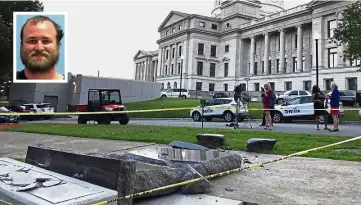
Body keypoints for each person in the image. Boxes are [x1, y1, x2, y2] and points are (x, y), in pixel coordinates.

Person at [16, 15, 64, 80]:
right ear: (21, 46)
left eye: (46, 41)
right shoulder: (8, 83)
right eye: (32, 41)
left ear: (58, 47)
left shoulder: (75, 87)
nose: (39, 48)